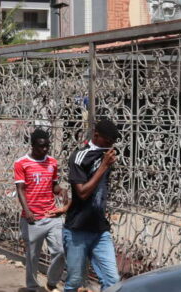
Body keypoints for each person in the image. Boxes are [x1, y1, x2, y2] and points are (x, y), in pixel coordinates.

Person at [62, 119, 121, 292]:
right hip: (77, 229)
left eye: (113, 142)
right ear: (96, 135)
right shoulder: (79, 157)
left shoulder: (106, 156)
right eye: (108, 141)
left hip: (100, 229)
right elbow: (82, 193)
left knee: (112, 281)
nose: (110, 146)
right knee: (74, 282)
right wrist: (103, 166)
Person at [14, 128, 68, 292]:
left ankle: (52, 282)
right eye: (40, 146)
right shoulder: (21, 163)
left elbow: (53, 185)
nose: (44, 149)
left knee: (61, 250)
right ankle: (32, 286)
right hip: (32, 219)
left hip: (52, 215)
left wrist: (61, 190)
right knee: (32, 256)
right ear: (32, 145)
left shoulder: (52, 162)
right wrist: (27, 210)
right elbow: (20, 189)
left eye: (47, 146)